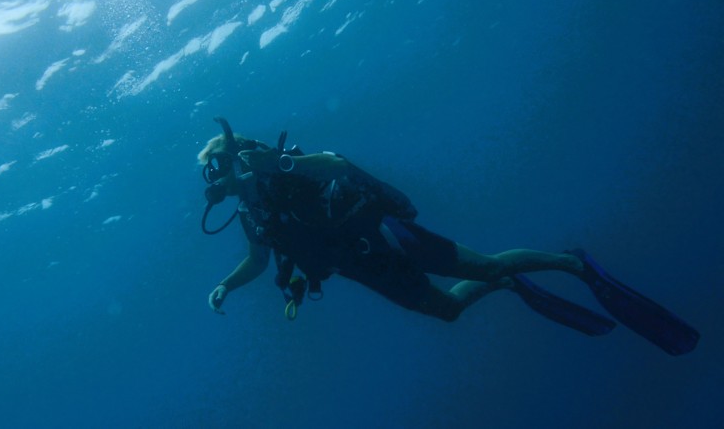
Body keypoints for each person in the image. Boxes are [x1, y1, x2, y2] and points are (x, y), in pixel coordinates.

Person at [199, 117, 699, 356]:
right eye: (211, 173)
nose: (217, 178)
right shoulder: (251, 215)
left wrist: (279, 161)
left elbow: (338, 165)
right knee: (449, 310)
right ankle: (505, 282)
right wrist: (226, 284)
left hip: (384, 237)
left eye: (219, 164)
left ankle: (570, 262)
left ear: (240, 154)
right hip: (361, 268)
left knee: (485, 265)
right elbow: (258, 261)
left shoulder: (285, 170)